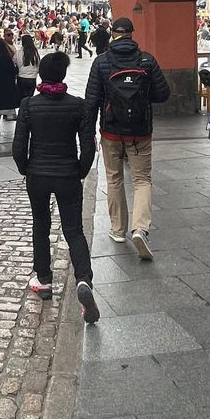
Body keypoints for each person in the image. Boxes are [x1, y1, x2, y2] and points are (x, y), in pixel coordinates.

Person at [13, 51, 99, 324]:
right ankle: (83, 280)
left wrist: (25, 167)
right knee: (73, 230)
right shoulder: (79, 106)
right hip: (67, 174)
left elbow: (18, 146)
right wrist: (80, 170)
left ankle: (44, 279)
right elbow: (88, 147)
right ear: (62, 75)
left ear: (41, 74)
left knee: (41, 224)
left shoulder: (28, 105)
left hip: (38, 174)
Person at [84, 16, 170, 260]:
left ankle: (118, 230)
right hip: (140, 131)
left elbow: (91, 101)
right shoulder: (146, 60)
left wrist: (88, 133)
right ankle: (140, 228)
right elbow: (163, 93)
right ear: (132, 34)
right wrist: (141, 98)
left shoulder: (102, 62)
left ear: (113, 34)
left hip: (111, 131)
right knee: (142, 179)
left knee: (114, 179)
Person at [14, 33, 41, 101]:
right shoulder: (35, 53)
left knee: (21, 99)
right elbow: (38, 65)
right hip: (32, 78)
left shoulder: (18, 53)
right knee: (30, 98)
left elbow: (14, 63)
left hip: (21, 78)